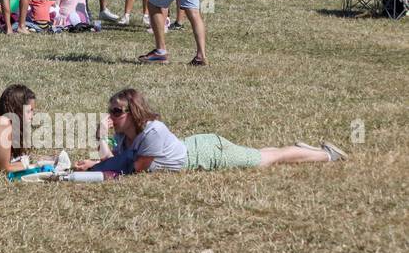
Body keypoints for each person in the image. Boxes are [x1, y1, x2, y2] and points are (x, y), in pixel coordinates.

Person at [73, 88, 346, 174]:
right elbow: (118, 159)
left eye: (116, 112)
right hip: (196, 146)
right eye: (110, 111)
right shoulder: (124, 133)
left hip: (207, 153)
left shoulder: (153, 131)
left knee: (267, 159)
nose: (111, 116)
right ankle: (305, 149)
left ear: (133, 113)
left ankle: (327, 155)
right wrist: (100, 142)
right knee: (258, 153)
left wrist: (99, 168)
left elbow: (135, 169)